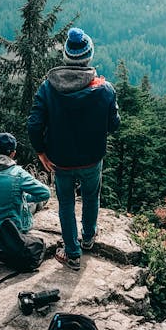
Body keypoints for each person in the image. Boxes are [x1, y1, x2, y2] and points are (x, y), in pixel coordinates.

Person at [27, 27, 120, 271]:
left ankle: (72, 254)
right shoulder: (104, 89)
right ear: (88, 57)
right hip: (92, 159)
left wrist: (41, 152)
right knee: (91, 197)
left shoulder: (48, 88)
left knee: (66, 203)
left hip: (61, 160)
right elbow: (114, 125)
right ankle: (88, 238)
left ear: (67, 57)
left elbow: (34, 124)